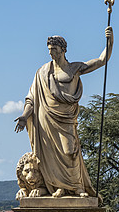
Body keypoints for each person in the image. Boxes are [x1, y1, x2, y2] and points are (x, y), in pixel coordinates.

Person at [14, 28, 113, 196]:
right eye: (49, 50)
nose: (51, 53)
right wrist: (24, 117)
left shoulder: (75, 68)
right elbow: (32, 99)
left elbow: (102, 60)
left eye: (54, 49)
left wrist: (109, 41)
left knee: (70, 152)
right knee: (50, 155)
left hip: (66, 119)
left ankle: (76, 187)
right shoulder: (42, 73)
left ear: (63, 49)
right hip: (46, 118)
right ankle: (57, 186)